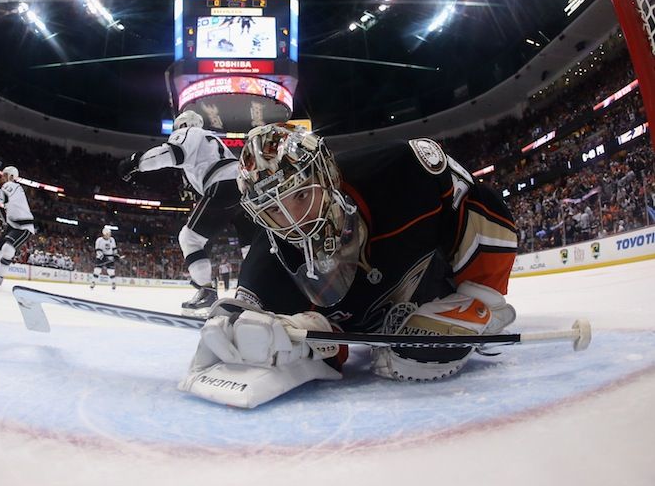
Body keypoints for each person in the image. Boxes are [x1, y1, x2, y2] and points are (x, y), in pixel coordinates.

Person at [179, 124, 518, 408]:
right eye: (273, 209)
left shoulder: (401, 171)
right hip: (369, 316)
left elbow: (479, 203)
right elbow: (315, 343)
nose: (292, 221)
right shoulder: (270, 260)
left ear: (326, 175)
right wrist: (297, 337)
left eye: (298, 195)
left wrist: (480, 297)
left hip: (435, 279)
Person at [118, 110, 256, 315]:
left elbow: (173, 154)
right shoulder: (213, 139)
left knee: (189, 238)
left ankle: (207, 292)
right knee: (250, 246)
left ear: (182, 125)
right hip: (243, 186)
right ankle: (256, 293)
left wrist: (135, 162)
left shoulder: (190, 132)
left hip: (222, 184)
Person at [0, 166, 36, 289]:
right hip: (13, 225)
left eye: (5, 174)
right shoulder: (10, 188)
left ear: (12, 176)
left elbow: (1, 197)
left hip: (24, 226)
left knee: (7, 249)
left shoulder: (12, 185)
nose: (2, 177)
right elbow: (0, 197)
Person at [91, 226, 118, 290]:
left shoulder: (112, 239)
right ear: (105, 234)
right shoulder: (99, 240)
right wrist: (102, 257)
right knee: (97, 270)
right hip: (101, 257)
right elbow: (98, 250)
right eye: (108, 233)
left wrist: (116, 255)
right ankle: (93, 282)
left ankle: (113, 283)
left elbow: (114, 248)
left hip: (110, 257)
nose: (110, 234)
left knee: (111, 271)